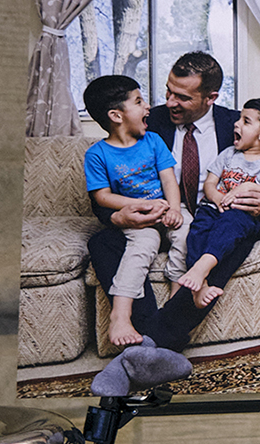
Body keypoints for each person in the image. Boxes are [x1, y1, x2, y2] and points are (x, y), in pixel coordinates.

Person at [87, 52, 255, 352]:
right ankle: (146, 329)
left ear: (210, 97)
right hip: (152, 217)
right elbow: (103, 194)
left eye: (182, 97)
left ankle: (153, 341)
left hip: (209, 217)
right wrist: (119, 218)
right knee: (101, 243)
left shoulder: (236, 126)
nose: (170, 102)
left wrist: (258, 199)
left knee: (229, 237)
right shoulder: (149, 122)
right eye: (168, 91)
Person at [80, 76, 191, 348]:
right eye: (139, 101)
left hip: (166, 209)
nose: (148, 107)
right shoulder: (97, 154)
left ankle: (177, 296)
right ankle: (121, 314)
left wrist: (175, 209)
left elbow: (169, 181)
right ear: (116, 115)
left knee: (187, 229)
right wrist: (137, 207)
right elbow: (102, 196)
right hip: (136, 218)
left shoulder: (153, 140)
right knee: (145, 243)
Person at [174, 98, 260, 309]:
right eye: (239, 118)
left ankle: (204, 265)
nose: (236, 124)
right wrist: (216, 198)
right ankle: (201, 286)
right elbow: (210, 183)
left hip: (241, 216)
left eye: (246, 121)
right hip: (212, 209)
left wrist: (249, 188)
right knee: (197, 232)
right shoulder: (227, 154)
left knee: (229, 226)